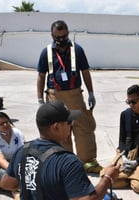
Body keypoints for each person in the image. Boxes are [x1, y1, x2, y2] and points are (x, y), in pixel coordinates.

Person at [36, 20, 102, 173]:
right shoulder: (46, 52)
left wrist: (91, 92)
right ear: (52, 35)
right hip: (55, 98)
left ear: (68, 33)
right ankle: (65, 163)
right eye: (57, 37)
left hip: (74, 97)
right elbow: (41, 76)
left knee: (82, 127)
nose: (61, 39)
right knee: (59, 130)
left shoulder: (77, 50)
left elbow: (85, 72)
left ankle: (88, 161)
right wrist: (40, 99)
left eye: (64, 36)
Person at [102, 84, 139, 194]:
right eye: (128, 102)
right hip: (127, 153)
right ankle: (132, 178)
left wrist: (136, 162)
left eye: (134, 102)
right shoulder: (125, 115)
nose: (131, 105)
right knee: (105, 179)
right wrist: (124, 157)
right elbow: (121, 140)